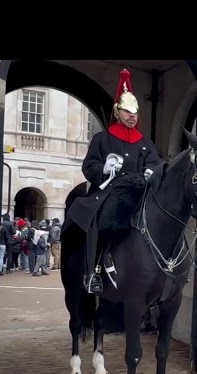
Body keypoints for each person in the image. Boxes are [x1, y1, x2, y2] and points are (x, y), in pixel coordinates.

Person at [65, 68, 163, 295]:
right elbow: (88, 166)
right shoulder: (103, 139)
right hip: (109, 192)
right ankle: (93, 273)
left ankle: (165, 269)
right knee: (96, 217)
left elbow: (155, 164)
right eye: (127, 111)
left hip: (139, 193)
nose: (132, 115)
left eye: (135, 112)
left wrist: (151, 172)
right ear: (117, 112)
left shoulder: (145, 143)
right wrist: (104, 168)